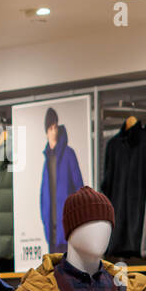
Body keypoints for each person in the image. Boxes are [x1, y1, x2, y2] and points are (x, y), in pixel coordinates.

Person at [39, 107, 84, 254]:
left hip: (67, 229)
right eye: (50, 128)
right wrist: (45, 219)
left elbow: (79, 189)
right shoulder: (47, 160)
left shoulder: (69, 154)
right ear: (46, 132)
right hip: (51, 231)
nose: (54, 131)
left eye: (55, 127)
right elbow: (44, 194)